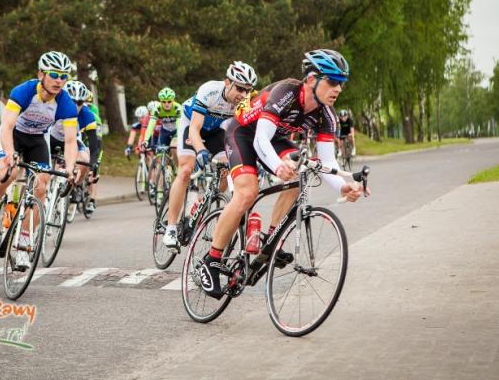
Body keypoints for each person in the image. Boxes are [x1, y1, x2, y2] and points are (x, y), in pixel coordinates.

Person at [199, 49, 369, 299]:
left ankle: (271, 242)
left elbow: (327, 161)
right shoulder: (286, 92)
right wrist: (279, 166)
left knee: (301, 174)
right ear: (311, 79)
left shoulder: (327, 115)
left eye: (341, 83)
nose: (338, 89)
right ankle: (211, 260)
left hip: (274, 139)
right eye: (333, 82)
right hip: (243, 133)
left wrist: (343, 186)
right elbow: (260, 139)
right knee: (247, 193)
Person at [0, 51, 79, 268]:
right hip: (14, 135)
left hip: (38, 140)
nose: (59, 80)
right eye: (54, 74)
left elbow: (70, 142)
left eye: (64, 76)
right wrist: (10, 153)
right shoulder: (23, 91)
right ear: (41, 74)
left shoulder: (66, 103)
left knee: (41, 186)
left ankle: (23, 244)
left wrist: (70, 168)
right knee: (10, 172)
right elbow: (7, 127)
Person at [162, 61, 258, 249]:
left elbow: (242, 133)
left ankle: (201, 202)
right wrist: (201, 151)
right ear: (227, 82)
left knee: (226, 169)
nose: (243, 95)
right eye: (239, 88)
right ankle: (171, 228)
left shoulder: (244, 103)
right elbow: (194, 129)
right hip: (192, 124)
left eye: (247, 90)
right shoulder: (210, 90)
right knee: (186, 170)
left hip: (215, 131)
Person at [49, 80, 101, 214]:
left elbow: (94, 145)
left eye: (80, 102)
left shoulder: (87, 115)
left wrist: (93, 168)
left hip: (72, 141)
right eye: (72, 101)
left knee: (85, 160)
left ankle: (75, 186)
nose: (76, 106)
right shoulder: (55, 106)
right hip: (51, 138)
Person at [142, 88, 182, 160]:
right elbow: (151, 125)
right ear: (160, 102)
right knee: (161, 155)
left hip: (176, 131)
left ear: (173, 101)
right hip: (165, 132)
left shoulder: (178, 108)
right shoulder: (157, 109)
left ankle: (177, 166)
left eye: (169, 101)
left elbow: (179, 124)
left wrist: (178, 136)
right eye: (164, 102)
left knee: (174, 148)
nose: (166, 104)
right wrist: (146, 140)